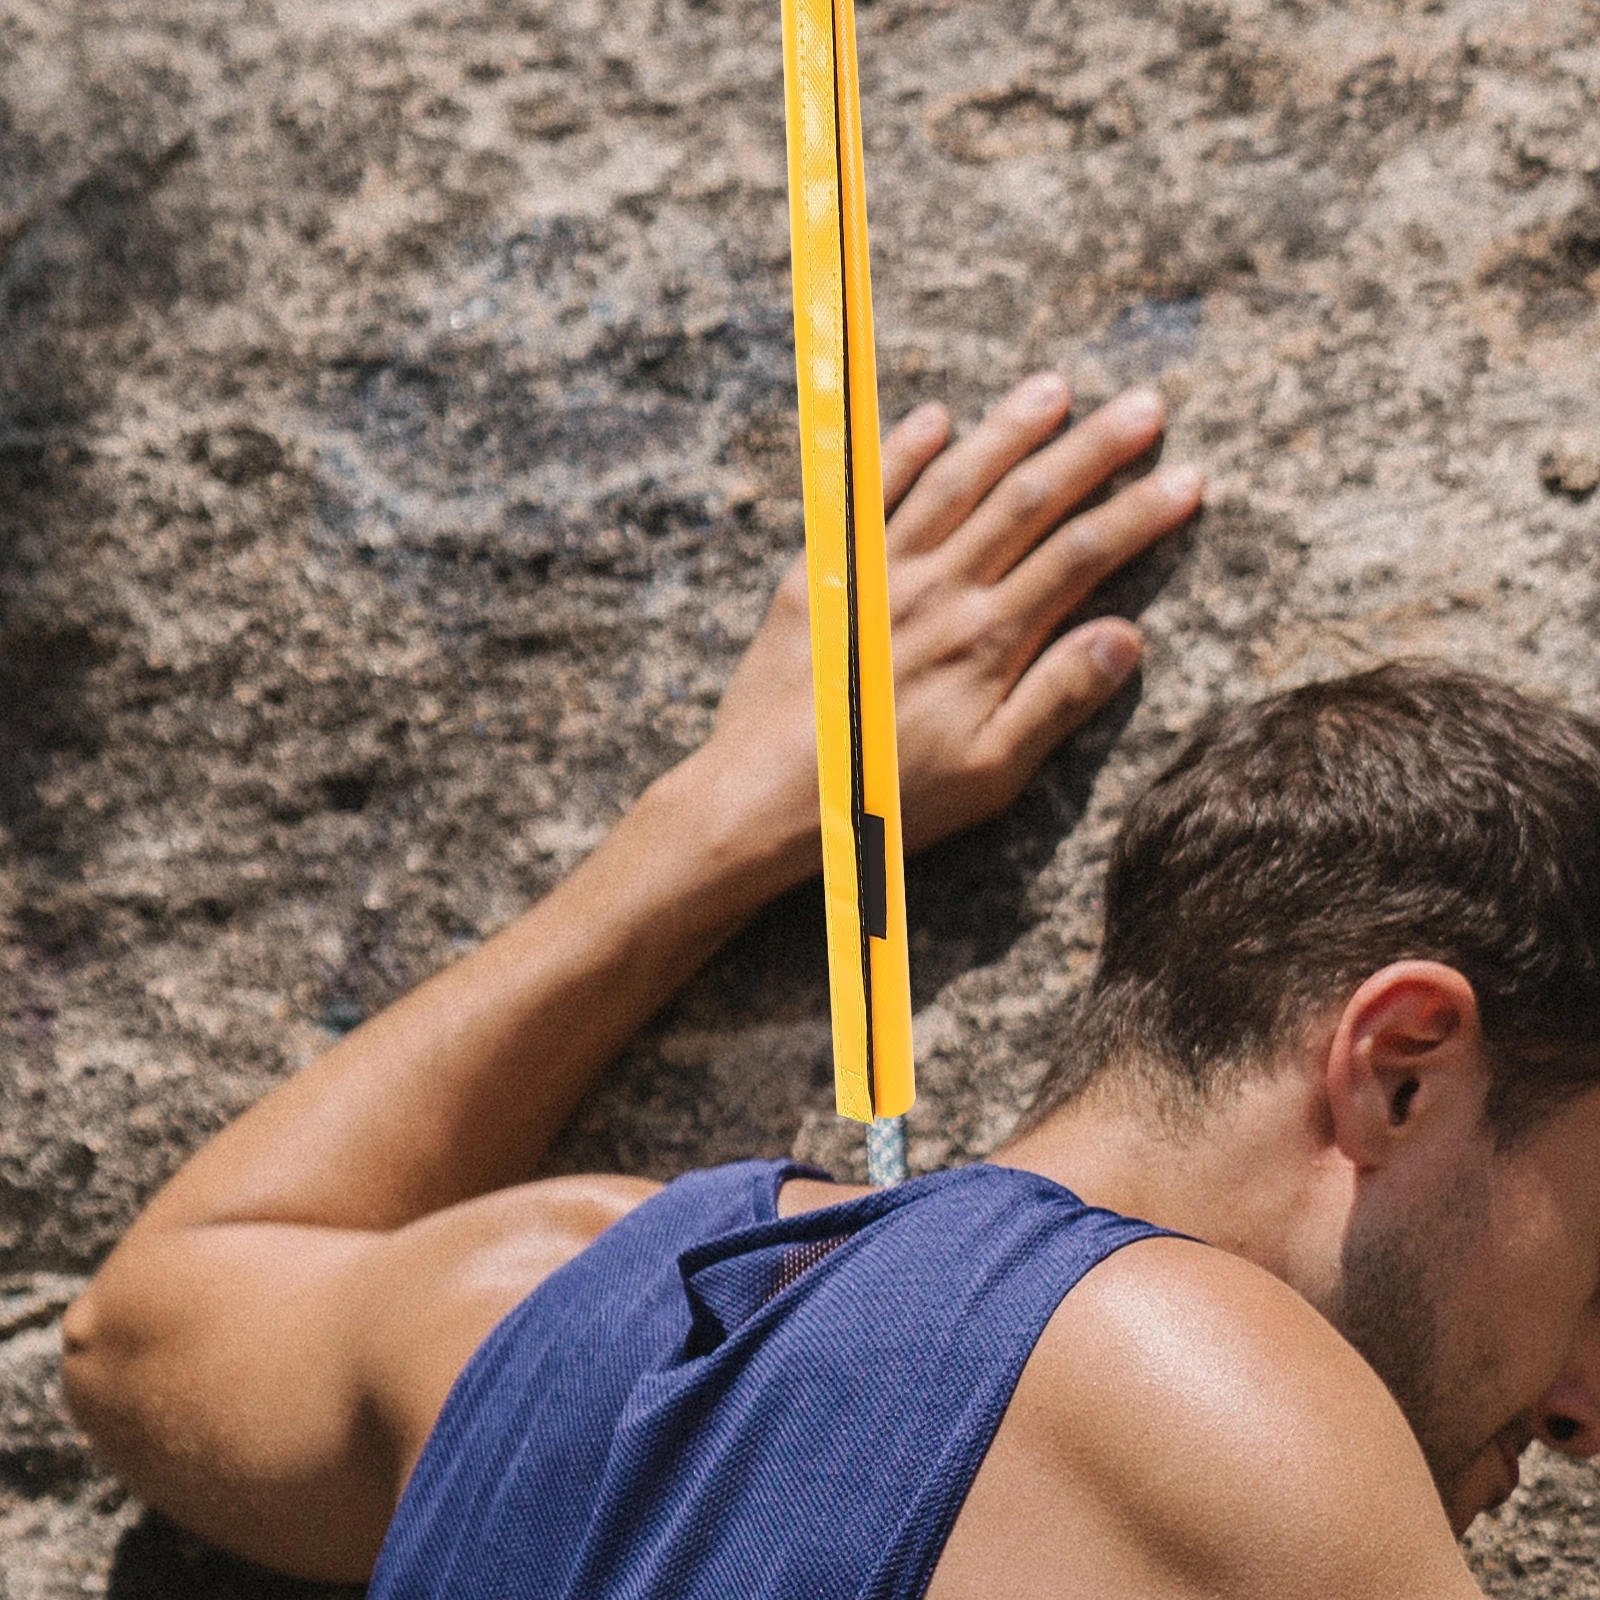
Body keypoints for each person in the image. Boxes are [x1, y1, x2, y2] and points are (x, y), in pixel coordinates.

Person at [59, 371, 1600, 1599]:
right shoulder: (1227, 1406)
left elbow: (145, 1330)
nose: (1586, 1409)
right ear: (1401, 1065)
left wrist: (719, 819)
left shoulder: (592, 1300)